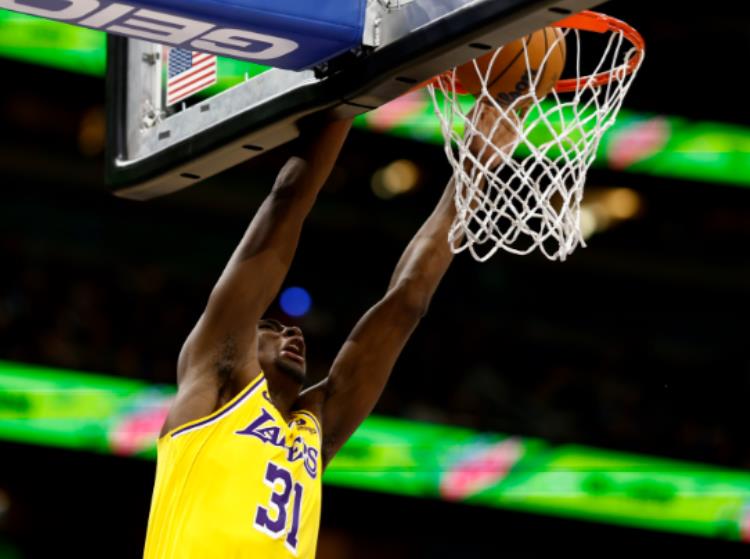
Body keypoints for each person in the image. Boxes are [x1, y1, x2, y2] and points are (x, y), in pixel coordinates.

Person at [143, 104, 516, 558]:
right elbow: (286, 202)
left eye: (282, 328)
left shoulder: (311, 428)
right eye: (273, 327)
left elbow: (407, 300)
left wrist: (475, 166)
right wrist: (353, 99)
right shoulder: (215, 379)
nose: (293, 334)